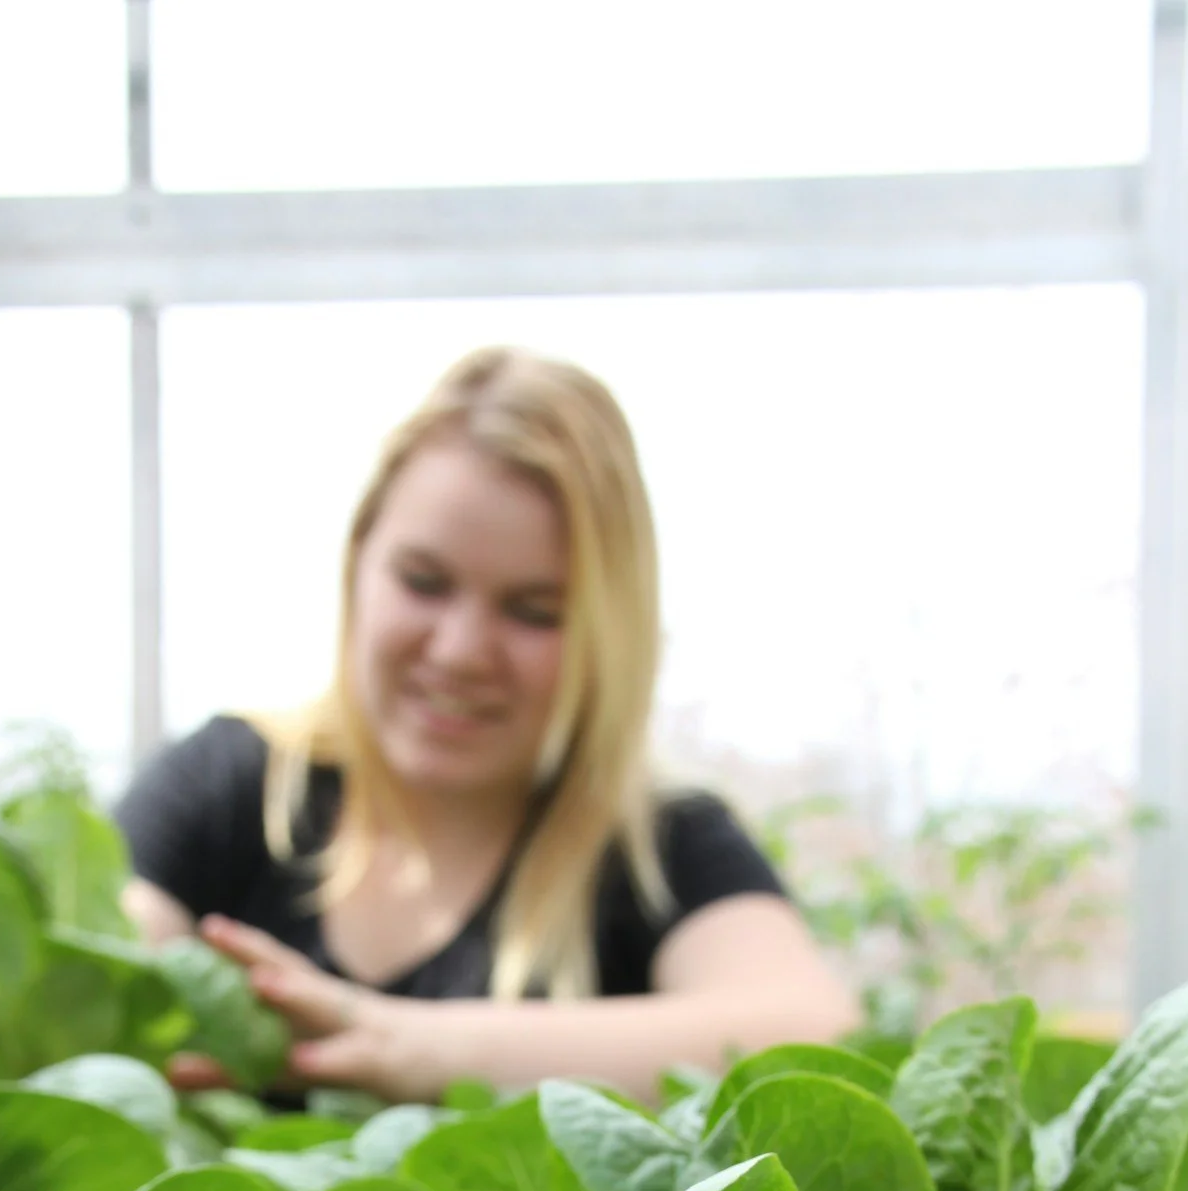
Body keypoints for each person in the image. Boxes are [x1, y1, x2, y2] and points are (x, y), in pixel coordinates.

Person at [118, 346, 854, 1103]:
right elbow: (90, 964)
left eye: (533, 612)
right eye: (423, 583)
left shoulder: (656, 849)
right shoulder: (230, 786)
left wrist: (400, 1043)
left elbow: (811, 1037)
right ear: (357, 562)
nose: (462, 651)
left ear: (609, 632)